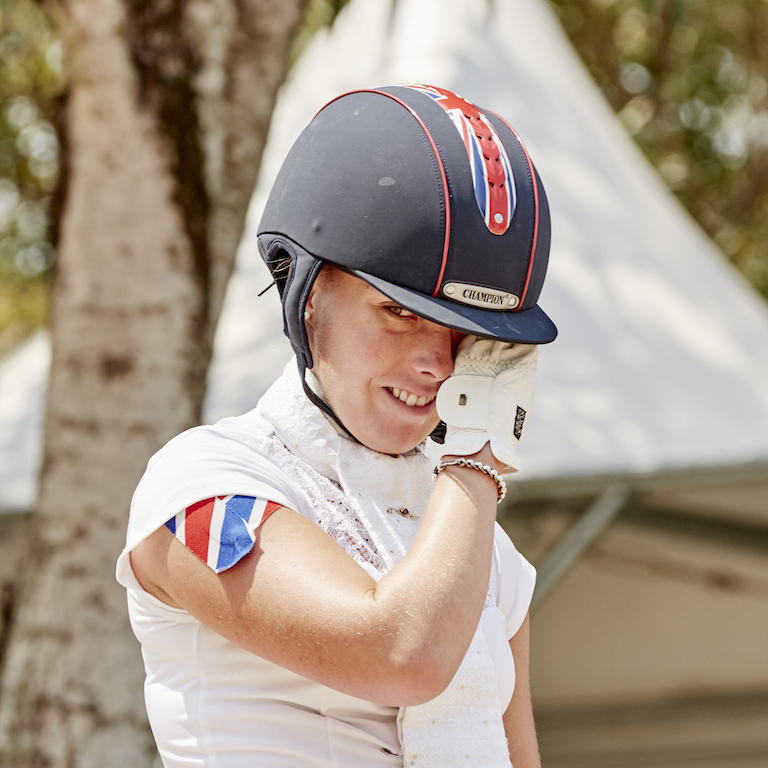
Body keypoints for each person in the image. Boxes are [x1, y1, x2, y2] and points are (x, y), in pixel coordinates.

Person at [117, 84, 557, 768]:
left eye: (468, 335)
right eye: (400, 313)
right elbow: (401, 654)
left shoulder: (488, 556)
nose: (437, 364)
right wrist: (475, 455)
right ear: (309, 288)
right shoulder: (202, 484)